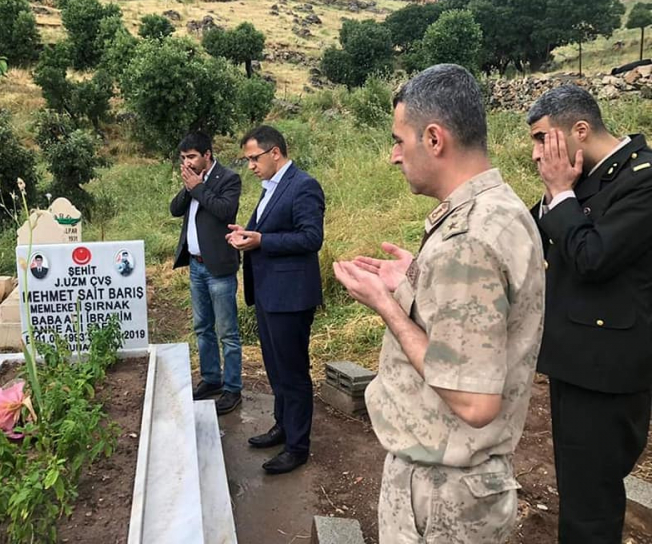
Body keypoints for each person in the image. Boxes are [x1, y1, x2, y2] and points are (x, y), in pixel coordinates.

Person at [333, 64, 545, 543]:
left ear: (433, 139)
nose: (394, 156)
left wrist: (387, 306)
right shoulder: (501, 209)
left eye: (398, 141)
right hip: (465, 485)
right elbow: (475, 326)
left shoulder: (466, 241)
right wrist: (416, 281)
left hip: (440, 493)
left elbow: (473, 401)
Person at [527, 84, 652, 543]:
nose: (537, 153)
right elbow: (538, 236)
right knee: (578, 490)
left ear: (579, 130)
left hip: (608, 373)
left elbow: (593, 257)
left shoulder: (642, 180)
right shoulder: (590, 176)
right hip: (577, 362)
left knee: (591, 505)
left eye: (542, 138)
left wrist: (561, 193)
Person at [226, 125, 325, 475]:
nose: (251, 166)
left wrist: (261, 241)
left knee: (293, 373)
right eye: (248, 160)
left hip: (291, 297)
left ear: (275, 153)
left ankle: (297, 447)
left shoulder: (303, 186)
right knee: (276, 368)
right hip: (269, 294)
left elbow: (311, 238)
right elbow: (266, 230)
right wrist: (245, 234)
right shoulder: (271, 187)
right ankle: (283, 425)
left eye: (254, 158)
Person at [171, 132, 244, 415]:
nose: (187, 162)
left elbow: (225, 211)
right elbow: (175, 209)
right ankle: (212, 378)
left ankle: (232, 388)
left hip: (219, 268)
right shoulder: (192, 181)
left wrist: (199, 188)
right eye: (183, 158)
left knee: (227, 332)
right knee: (203, 328)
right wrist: (189, 188)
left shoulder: (229, 179)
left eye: (192, 157)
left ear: (207, 155)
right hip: (196, 266)